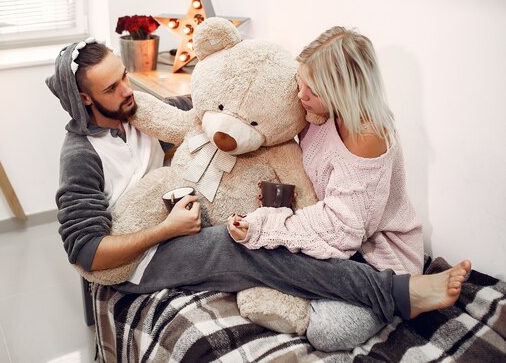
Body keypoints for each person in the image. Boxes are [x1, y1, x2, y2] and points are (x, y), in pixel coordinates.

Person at [46, 37, 471, 348]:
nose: (128, 92)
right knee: (244, 247)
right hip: (140, 258)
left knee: (258, 239)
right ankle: (395, 292)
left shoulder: (135, 112)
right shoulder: (82, 154)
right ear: (83, 99)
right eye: (112, 88)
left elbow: (212, 110)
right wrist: (167, 230)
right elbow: (85, 252)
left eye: (124, 77)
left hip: (177, 215)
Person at [227, 26, 471, 351]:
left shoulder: (368, 134)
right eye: (300, 83)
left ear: (342, 90)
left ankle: (401, 291)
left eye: (310, 89)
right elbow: (310, 176)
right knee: (250, 249)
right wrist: (282, 201)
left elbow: (344, 231)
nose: (300, 96)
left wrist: (267, 226)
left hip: (375, 256)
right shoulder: (319, 114)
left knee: (331, 331)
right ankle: (306, 291)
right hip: (334, 235)